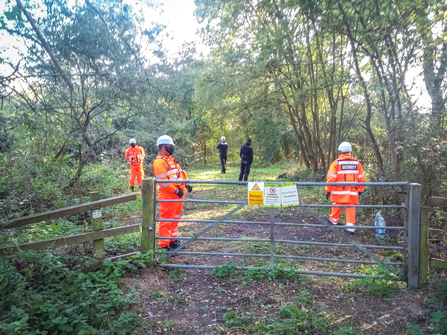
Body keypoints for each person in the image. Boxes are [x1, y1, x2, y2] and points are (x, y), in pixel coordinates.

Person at [152, 135, 193, 250]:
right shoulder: (159, 162)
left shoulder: (171, 160)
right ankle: (164, 245)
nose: (172, 148)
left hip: (177, 196)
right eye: (170, 146)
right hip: (168, 196)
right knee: (166, 220)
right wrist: (175, 190)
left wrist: (186, 184)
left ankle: (172, 241)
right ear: (164, 147)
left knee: (175, 219)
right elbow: (162, 182)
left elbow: (180, 173)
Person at [325, 142, 365, 235]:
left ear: (340, 151)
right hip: (352, 191)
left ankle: (333, 220)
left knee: (337, 204)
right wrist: (360, 190)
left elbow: (331, 179)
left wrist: (328, 190)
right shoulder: (357, 163)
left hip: (339, 191)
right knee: (351, 207)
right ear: (349, 151)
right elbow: (362, 178)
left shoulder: (337, 163)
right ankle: (351, 228)